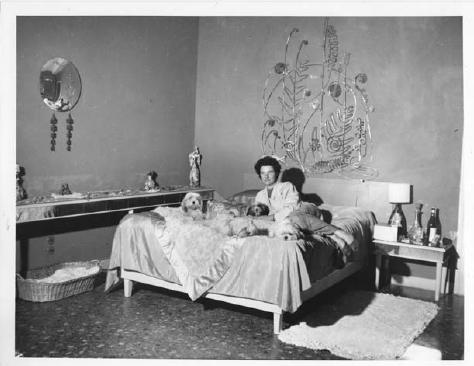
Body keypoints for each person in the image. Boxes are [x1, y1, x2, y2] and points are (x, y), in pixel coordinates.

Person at [253, 156, 300, 222]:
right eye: (263, 173)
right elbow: (257, 215)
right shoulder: (259, 195)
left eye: (270, 172)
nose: (266, 176)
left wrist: (271, 217)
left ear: (276, 173)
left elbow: (292, 208)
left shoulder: (287, 186)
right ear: (260, 175)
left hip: (288, 222)